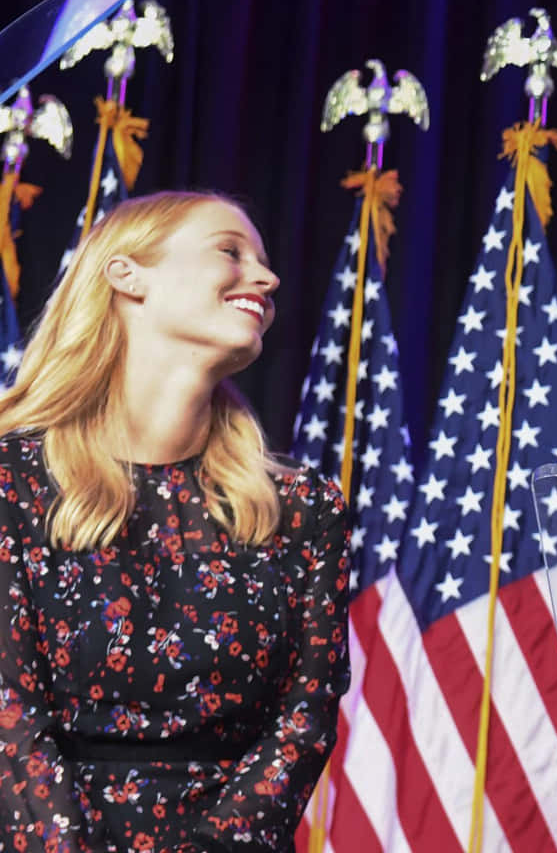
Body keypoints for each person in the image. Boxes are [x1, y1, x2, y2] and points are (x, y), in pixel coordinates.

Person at [0, 192, 351, 853]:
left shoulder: (305, 508)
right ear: (127, 275)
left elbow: (304, 722)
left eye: (266, 263)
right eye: (230, 251)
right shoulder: (8, 481)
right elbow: (7, 716)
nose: (267, 278)